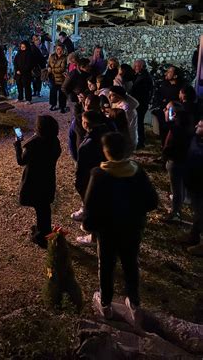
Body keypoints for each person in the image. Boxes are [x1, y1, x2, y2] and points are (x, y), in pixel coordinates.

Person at [82, 132, 159, 321]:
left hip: (108, 231)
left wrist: (88, 225)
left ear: (105, 151)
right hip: (132, 228)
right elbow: (152, 201)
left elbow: (90, 205)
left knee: (106, 266)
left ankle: (106, 304)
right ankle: (134, 304)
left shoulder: (99, 174)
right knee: (130, 264)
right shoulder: (137, 171)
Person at [14, 115, 62, 248]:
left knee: (41, 206)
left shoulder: (34, 144)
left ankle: (42, 236)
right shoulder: (54, 141)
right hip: (47, 178)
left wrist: (17, 145)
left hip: (34, 180)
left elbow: (21, 161)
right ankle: (43, 229)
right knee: (43, 206)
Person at [72, 110, 108, 244]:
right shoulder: (106, 132)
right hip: (104, 175)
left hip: (91, 178)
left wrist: (79, 184)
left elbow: (81, 168)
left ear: (86, 124)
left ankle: (93, 235)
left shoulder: (87, 144)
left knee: (92, 206)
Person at [162, 103, 193, 222]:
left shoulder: (175, 131)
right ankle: (177, 207)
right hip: (183, 161)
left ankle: (175, 213)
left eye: (168, 110)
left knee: (176, 188)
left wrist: (166, 157)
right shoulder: (188, 130)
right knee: (180, 187)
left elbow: (168, 147)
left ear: (174, 115)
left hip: (175, 162)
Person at [183, 119, 203, 256]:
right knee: (197, 212)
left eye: (201, 125)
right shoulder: (197, 140)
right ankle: (193, 236)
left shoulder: (198, 146)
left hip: (200, 184)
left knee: (201, 213)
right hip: (194, 183)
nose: (197, 126)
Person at [153, 66, 183, 144]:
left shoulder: (181, 87)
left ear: (175, 76)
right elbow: (158, 96)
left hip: (174, 114)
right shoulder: (163, 85)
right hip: (162, 112)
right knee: (163, 131)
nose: (166, 73)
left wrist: (172, 103)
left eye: (170, 72)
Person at [131, 59, 154, 149]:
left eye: (138, 66)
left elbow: (143, 92)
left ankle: (140, 142)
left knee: (139, 122)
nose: (136, 68)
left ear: (143, 66)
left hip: (141, 104)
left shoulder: (145, 77)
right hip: (140, 103)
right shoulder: (139, 75)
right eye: (135, 66)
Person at [108, 85, 139, 151]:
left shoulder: (125, 107)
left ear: (118, 96)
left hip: (128, 138)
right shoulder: (120, 104)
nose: (109, 97)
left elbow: (124, 123)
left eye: (112, 95)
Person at [48, 43, 68, 113]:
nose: (58, 50)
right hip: (53, 77)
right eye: (57, 49)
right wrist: (49, 68)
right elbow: (49, 65)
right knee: (53, 92)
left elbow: (62, 69)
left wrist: (52, 69)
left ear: (62, 50)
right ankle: (53, 105)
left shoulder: (65, 58)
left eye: (60, 49)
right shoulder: (52, 56)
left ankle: (62, 106)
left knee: (62, 93)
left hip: (61, 78)